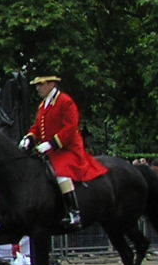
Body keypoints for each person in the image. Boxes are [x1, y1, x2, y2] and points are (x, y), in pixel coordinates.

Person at [19, 72, 108, 231]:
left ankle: (75, 212)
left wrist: (51, 144)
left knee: (61, 174)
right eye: (37, 85)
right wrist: (30, 138)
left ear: (51, 84)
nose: (38, 88)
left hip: (68, 149)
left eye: (41, 84)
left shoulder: (65, 101)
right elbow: (37, 128)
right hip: (51, 151)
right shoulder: (43, 105)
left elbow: (70, 128)